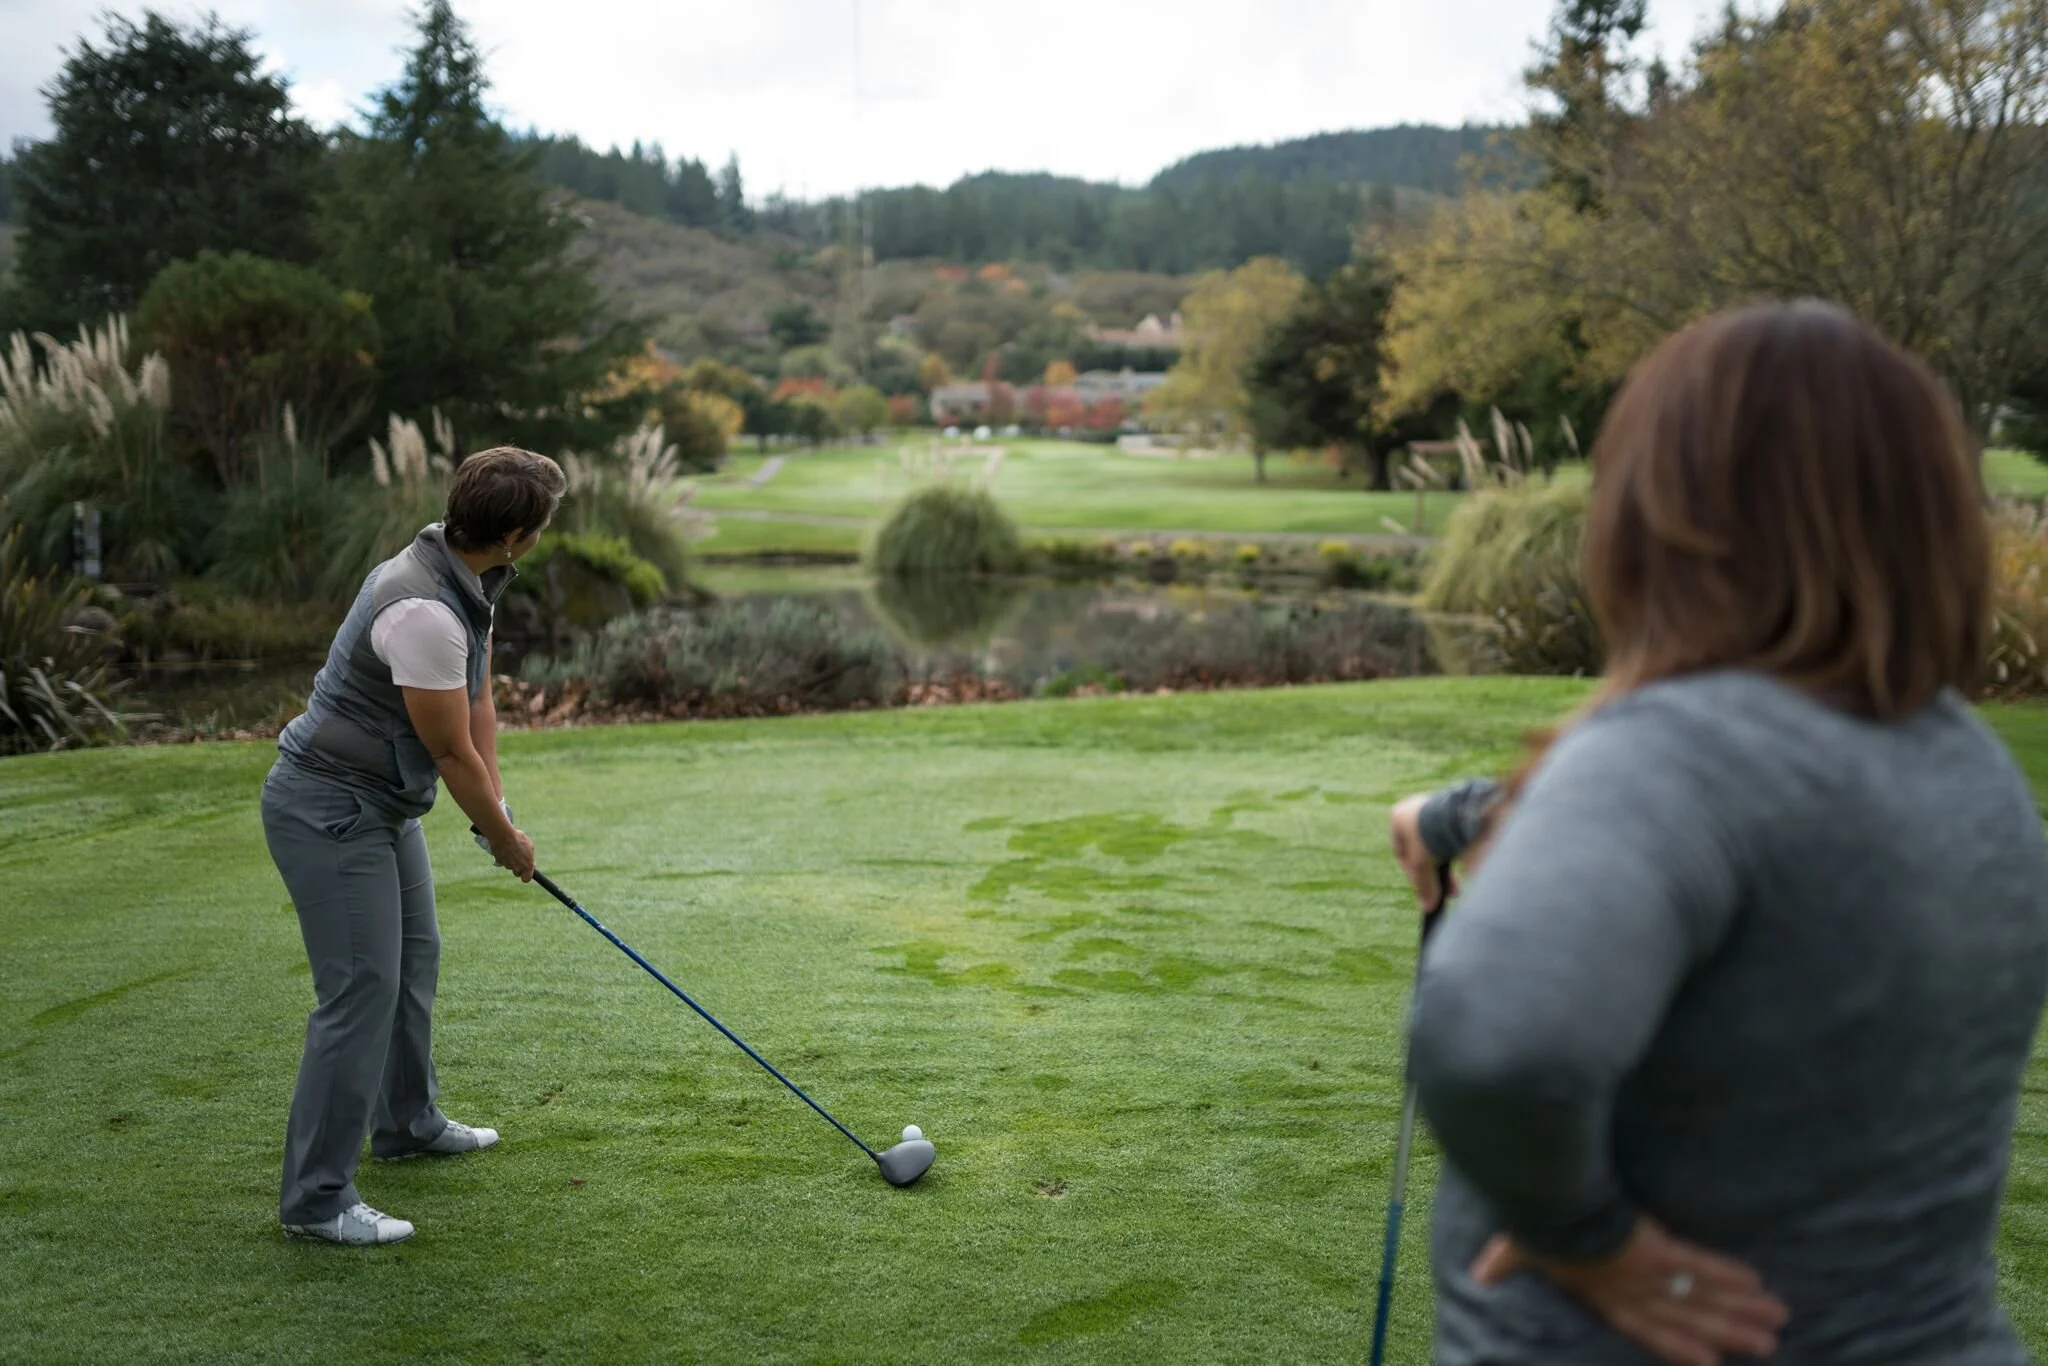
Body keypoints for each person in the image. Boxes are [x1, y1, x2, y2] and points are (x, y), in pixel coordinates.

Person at [1385, 301, 2048, 1365]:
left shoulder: (1673, 755)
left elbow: (1491, 1039)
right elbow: (1768, 863)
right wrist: (1451, 816)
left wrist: (1586, 1241)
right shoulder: (1968, 768)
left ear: (1654, 508)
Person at [262, 447, 560, 1246]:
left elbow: (479, 702)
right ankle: (317, 1199)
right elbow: (450, 752)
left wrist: (500, 804)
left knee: (414, 957)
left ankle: (408, 1121)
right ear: (518, 534)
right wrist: (504, 840)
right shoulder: (423, 609)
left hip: (379, 808)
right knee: (361, 990)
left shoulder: (466, 574)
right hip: (329, 809)